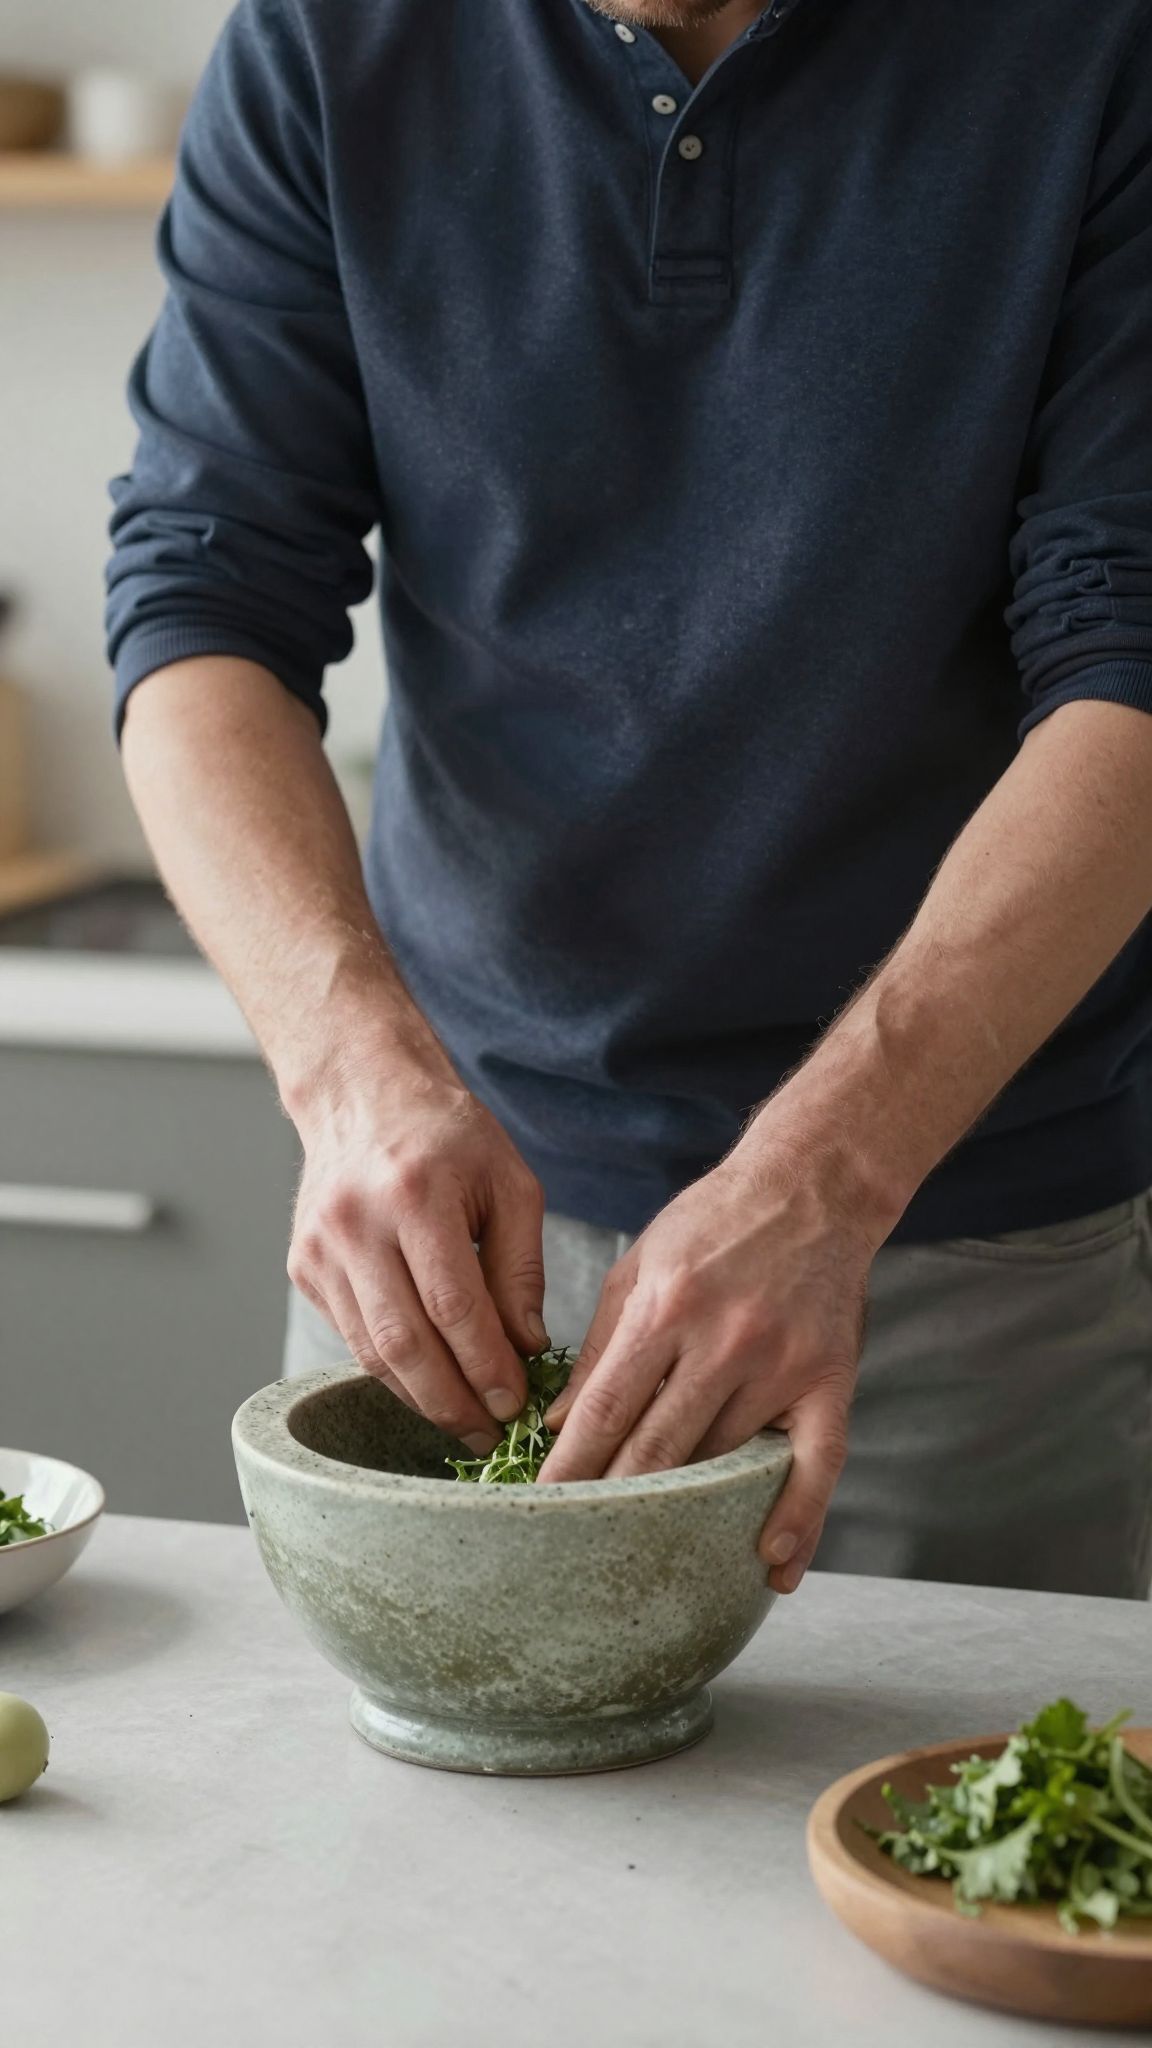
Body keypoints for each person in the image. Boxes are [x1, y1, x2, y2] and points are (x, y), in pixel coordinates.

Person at [107, 0, 1152, 1601]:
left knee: (946, 1833)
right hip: (444, 1224)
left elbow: (1129, 660)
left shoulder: (1100, 49)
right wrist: (349, 1074)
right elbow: (202, 601)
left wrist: (829, 1179)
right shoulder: (326, 37)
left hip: (961, 1243)